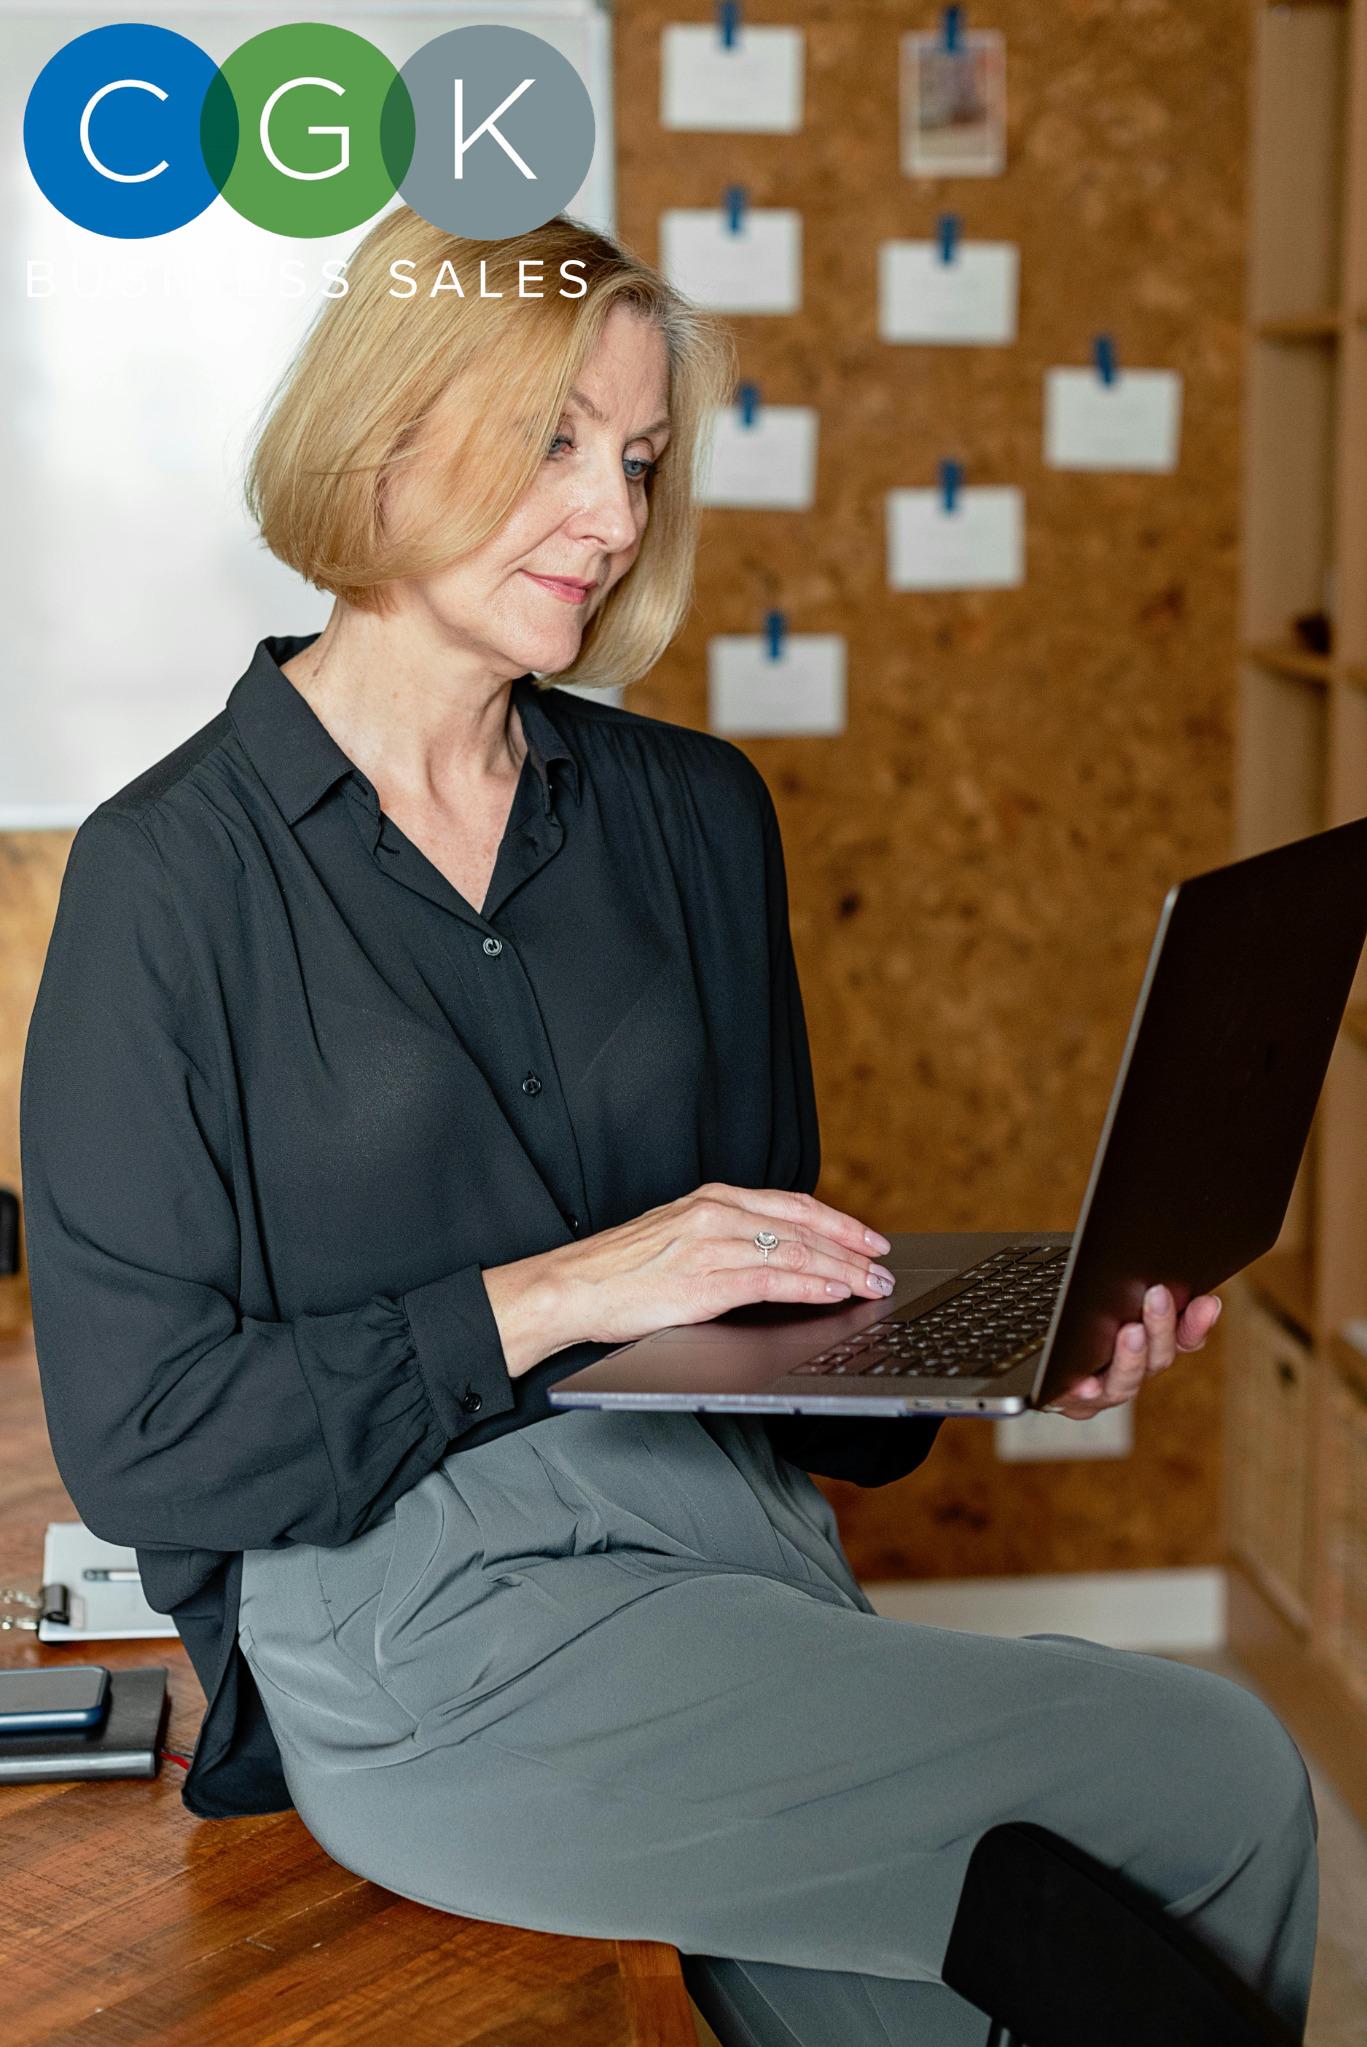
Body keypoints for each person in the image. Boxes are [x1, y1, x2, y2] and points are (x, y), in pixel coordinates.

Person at [21, 211, 1317, 2047]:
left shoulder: (698, 817)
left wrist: (1000, 1354)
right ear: (383, 438)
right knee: (1208, 1770)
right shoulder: (169, 878)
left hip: (733, 1562)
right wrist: (547, 1297)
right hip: (418, 1622)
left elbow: (758, 1341)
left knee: (939, 1999)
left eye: (637, 459)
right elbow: (148, 1446)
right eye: (553, 442)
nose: (616, 517)